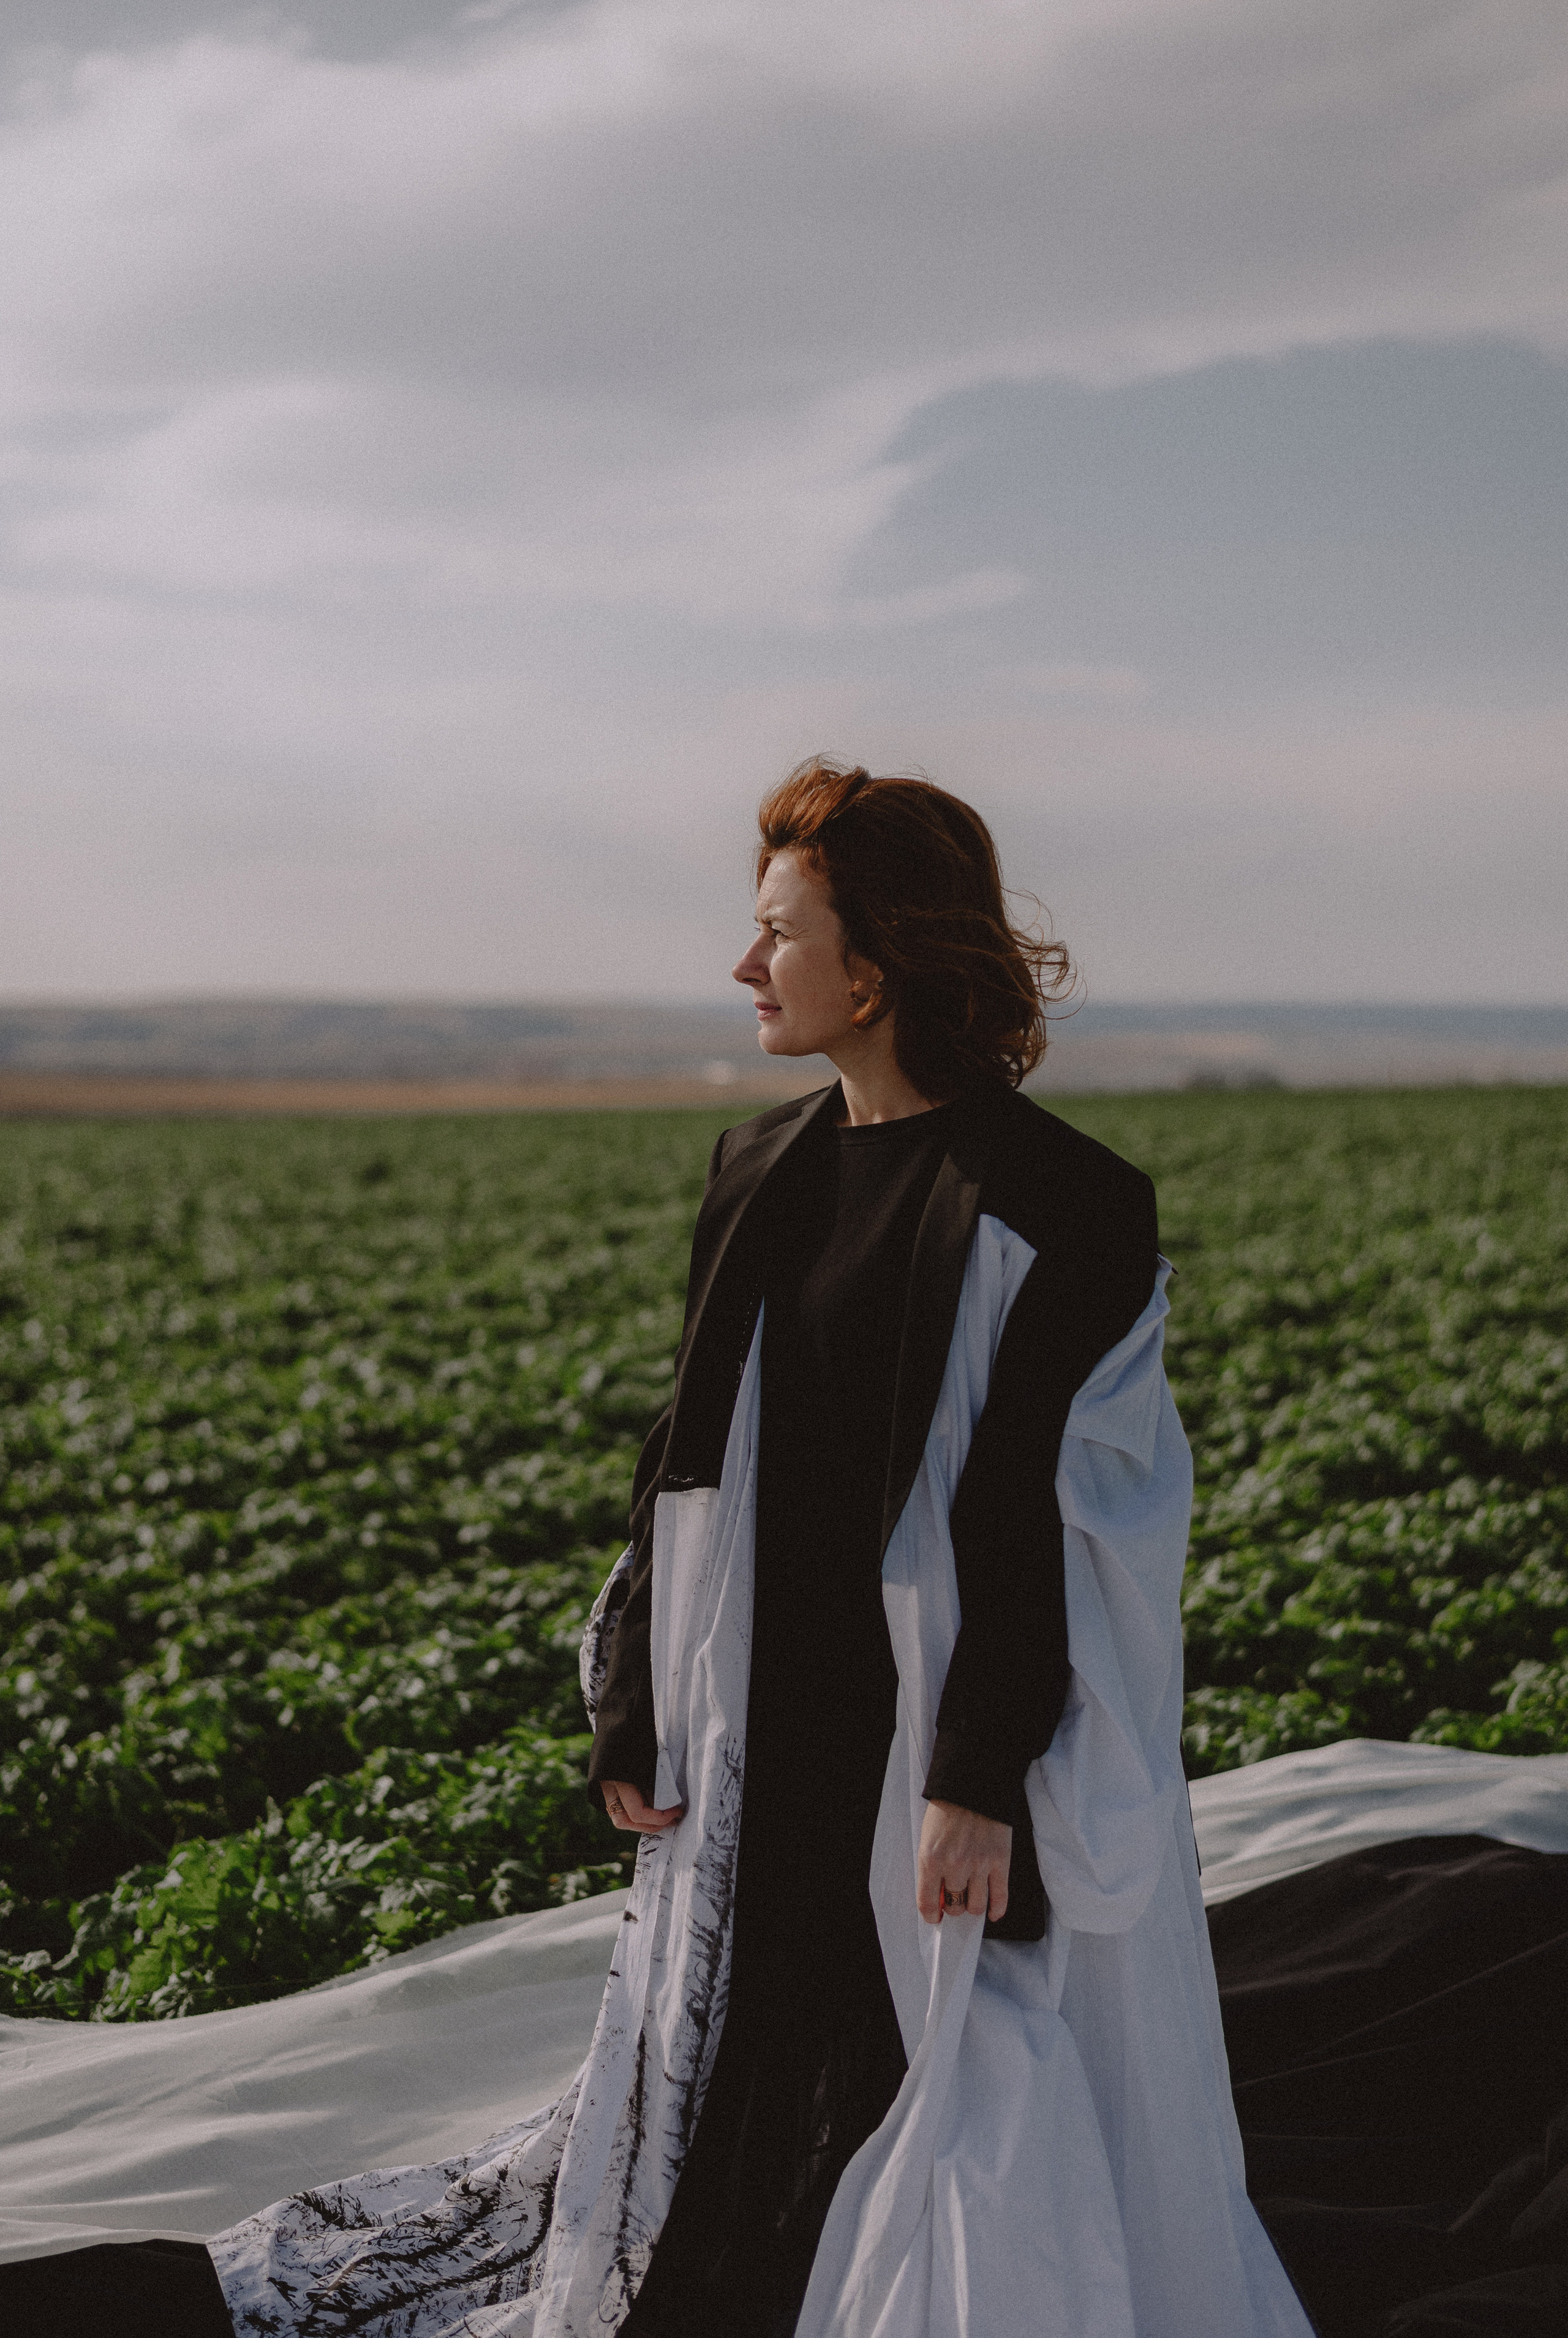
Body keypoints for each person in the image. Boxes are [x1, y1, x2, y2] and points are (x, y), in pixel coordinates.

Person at [14, 760, 1313, 2337]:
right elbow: (681, 1464)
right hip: (765, 1712)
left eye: (780, 932)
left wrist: (977, 1774)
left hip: (937, 1736)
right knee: (736, 2072)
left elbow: (1058, 1515)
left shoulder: (1065, 1201)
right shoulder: (759, 1167)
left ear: (882, 961)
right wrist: (632, 1681)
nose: (747, 966)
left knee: (950, 2056)